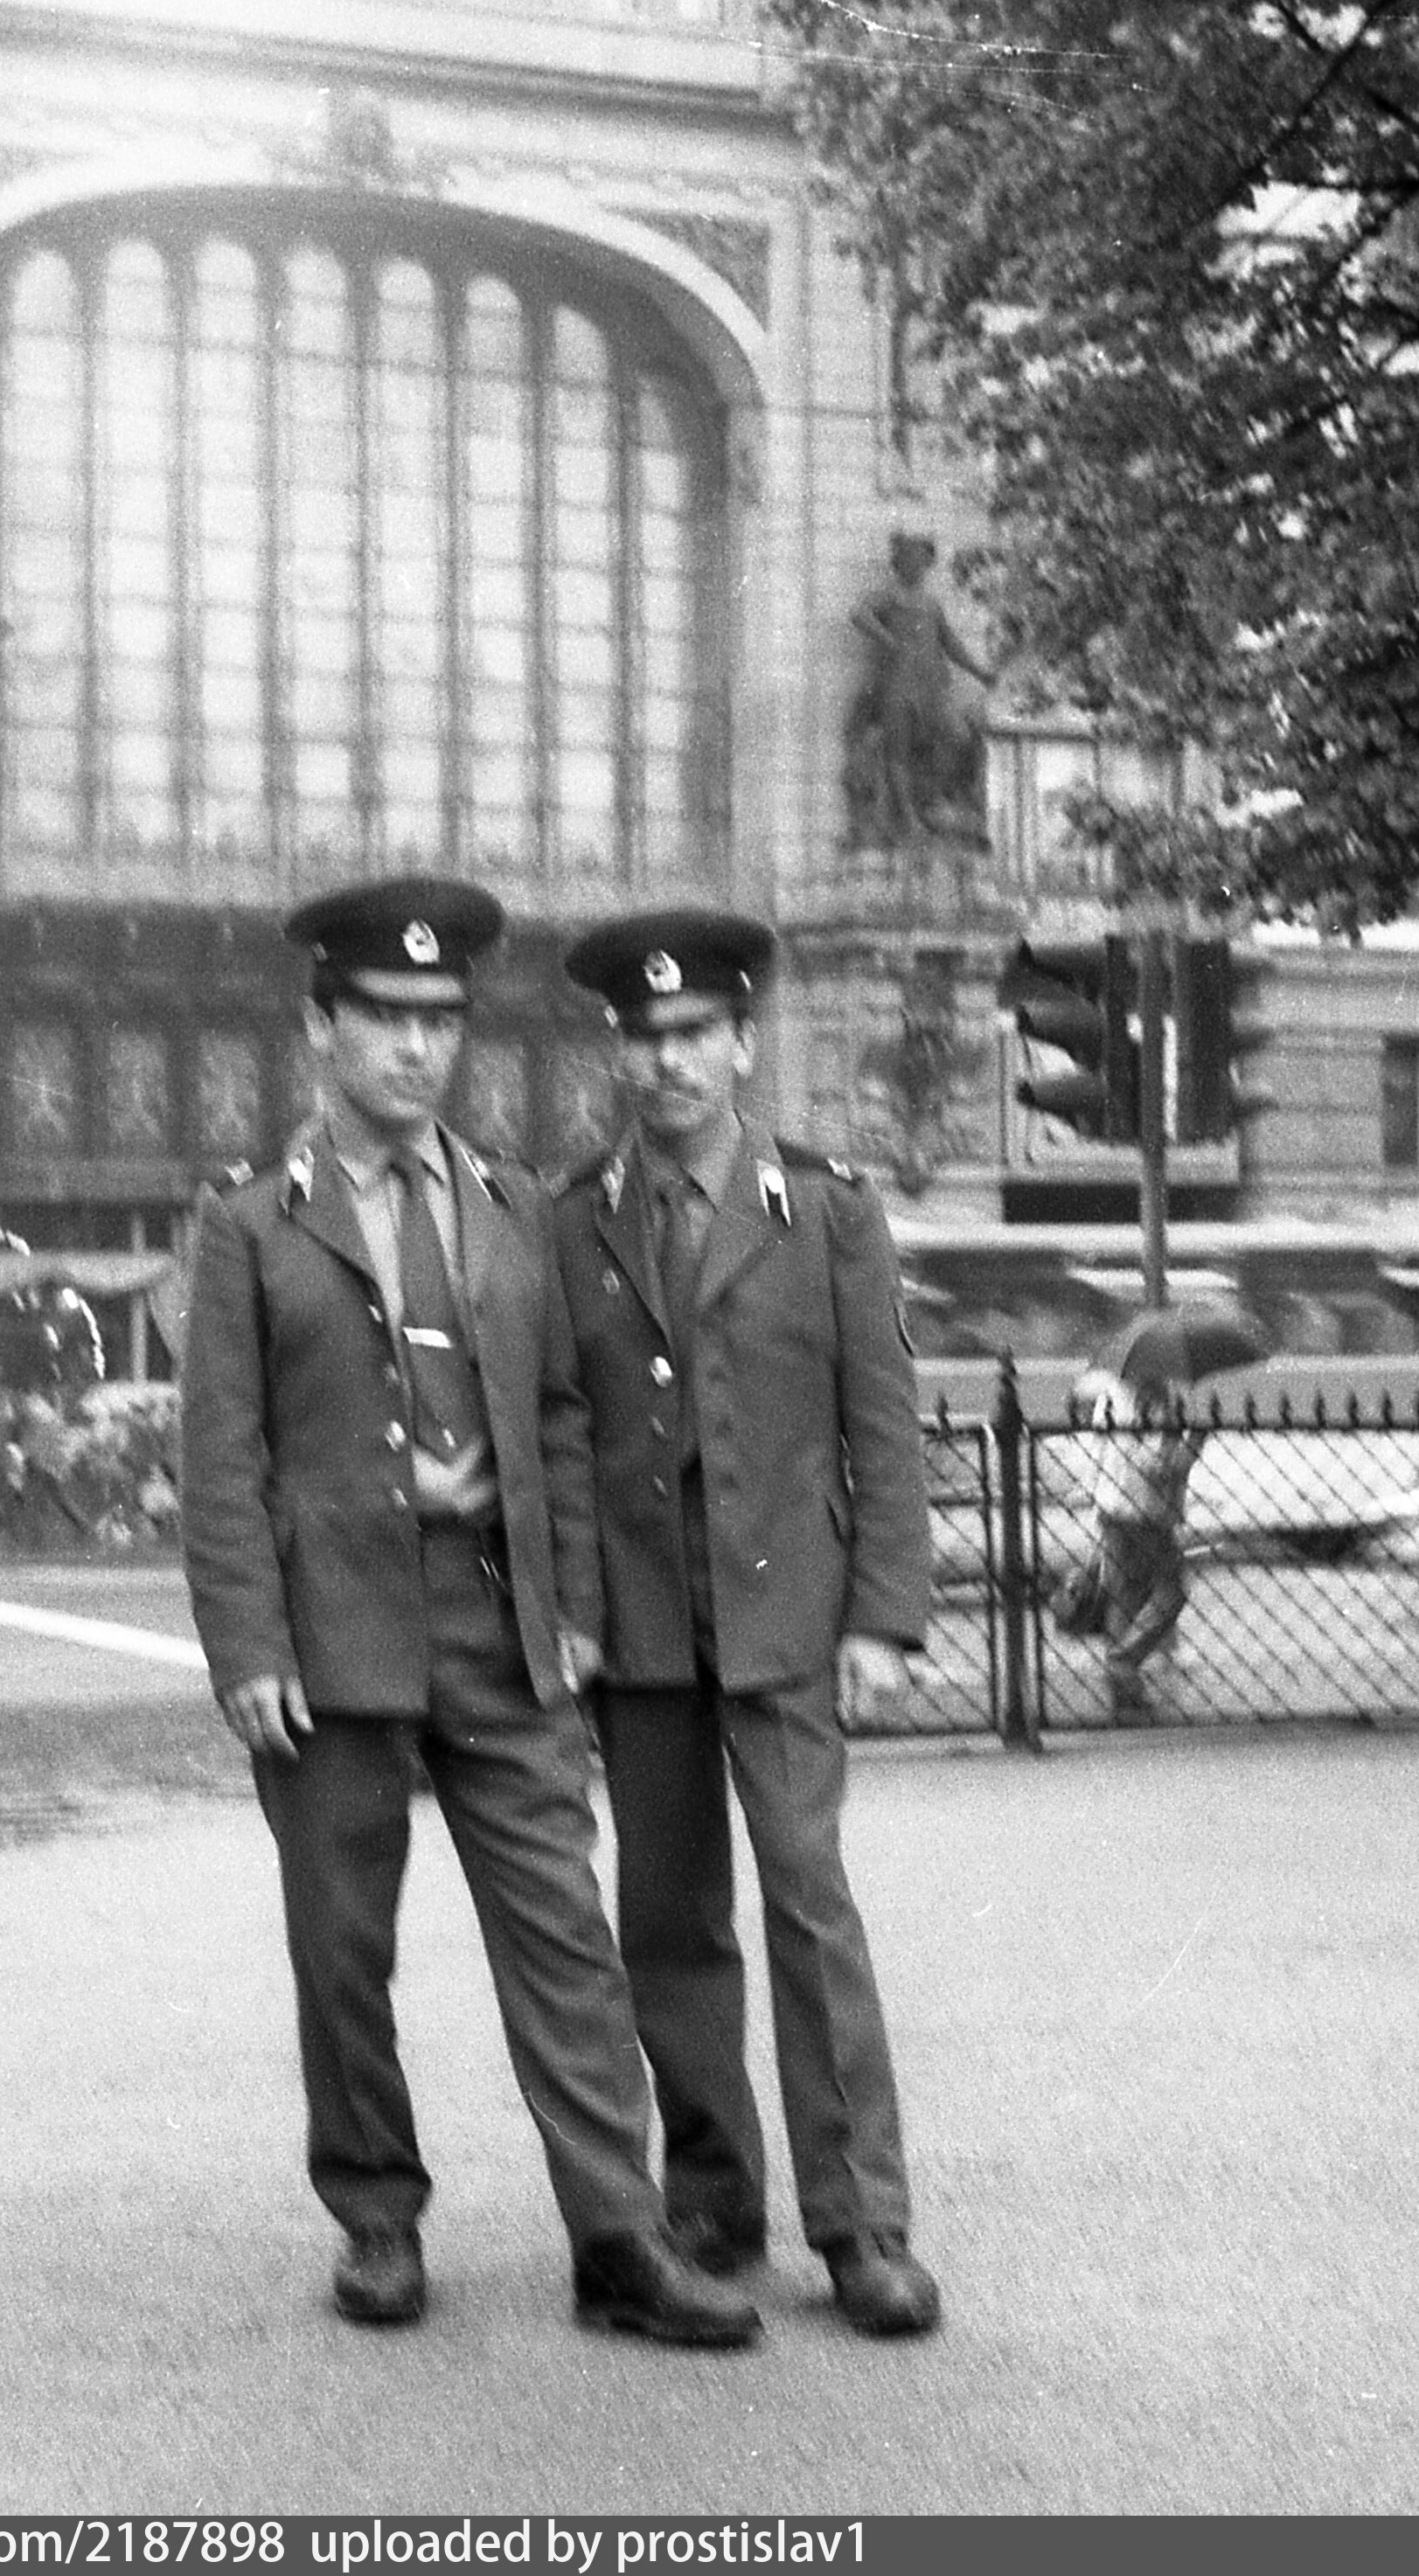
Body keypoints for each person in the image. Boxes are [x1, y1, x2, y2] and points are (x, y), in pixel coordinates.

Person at [178, 874, 759, 2349]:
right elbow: (221, 1458)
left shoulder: (511, 1207)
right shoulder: (251, 1224)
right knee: (342, 1947)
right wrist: (247, 1646)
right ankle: (378, 2215)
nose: (417, 1046)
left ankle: (618, 2239)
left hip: (501, 1625)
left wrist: (572, 1606)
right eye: (385, 1015)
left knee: (565, 1935)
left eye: (440, 1019)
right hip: (332, 1637)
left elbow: (557, 1415)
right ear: (321, 1028)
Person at [553, 906, 941, 2337]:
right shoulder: (572, 1216)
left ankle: (861, 2223)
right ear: (618, 1052)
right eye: (644, 1038)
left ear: (741, 1043)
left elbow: (880, 1424)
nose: (669, 1063)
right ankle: (712, 2194)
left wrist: (884, 1615)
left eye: (695, 1034)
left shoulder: (825, 1211)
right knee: (666, 1920)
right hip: (645, 1625)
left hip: (787, 1614)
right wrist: (575, 1611)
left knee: (807, 1904)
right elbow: (562, 1430)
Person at [845, 529, 993, 846]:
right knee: (897, 750)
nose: (917, 568)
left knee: (956, 738)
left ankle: (935, 805)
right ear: (900, 564)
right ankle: (907, 818)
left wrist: (979, 672)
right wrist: (889, 640)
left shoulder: (931, 604)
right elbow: (859, 615)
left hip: (931, 684)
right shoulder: (890, 596)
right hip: (897, 684)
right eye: (910, 561)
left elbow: (950, 642)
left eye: (922, 562)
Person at [1076, 1367, 1205, 1724]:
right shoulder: (1153, 1402)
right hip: (1146, 1512)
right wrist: (1196, 1440)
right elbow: (1159, 1467)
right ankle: (1123, 1661)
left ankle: (1126, 1695)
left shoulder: (1110, 1398)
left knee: (1124, 1596)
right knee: (1172, 1591)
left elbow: (1100, 1454)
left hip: (1111, 1506)